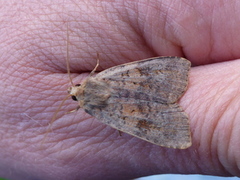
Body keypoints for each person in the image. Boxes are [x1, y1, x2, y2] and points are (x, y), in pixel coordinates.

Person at [0, 1, 239, 179]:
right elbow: (95, 67)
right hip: (146, 77)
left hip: (126, 113)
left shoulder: (93, 110)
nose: (73, 90)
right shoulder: (98, 78)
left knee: (139, 123)